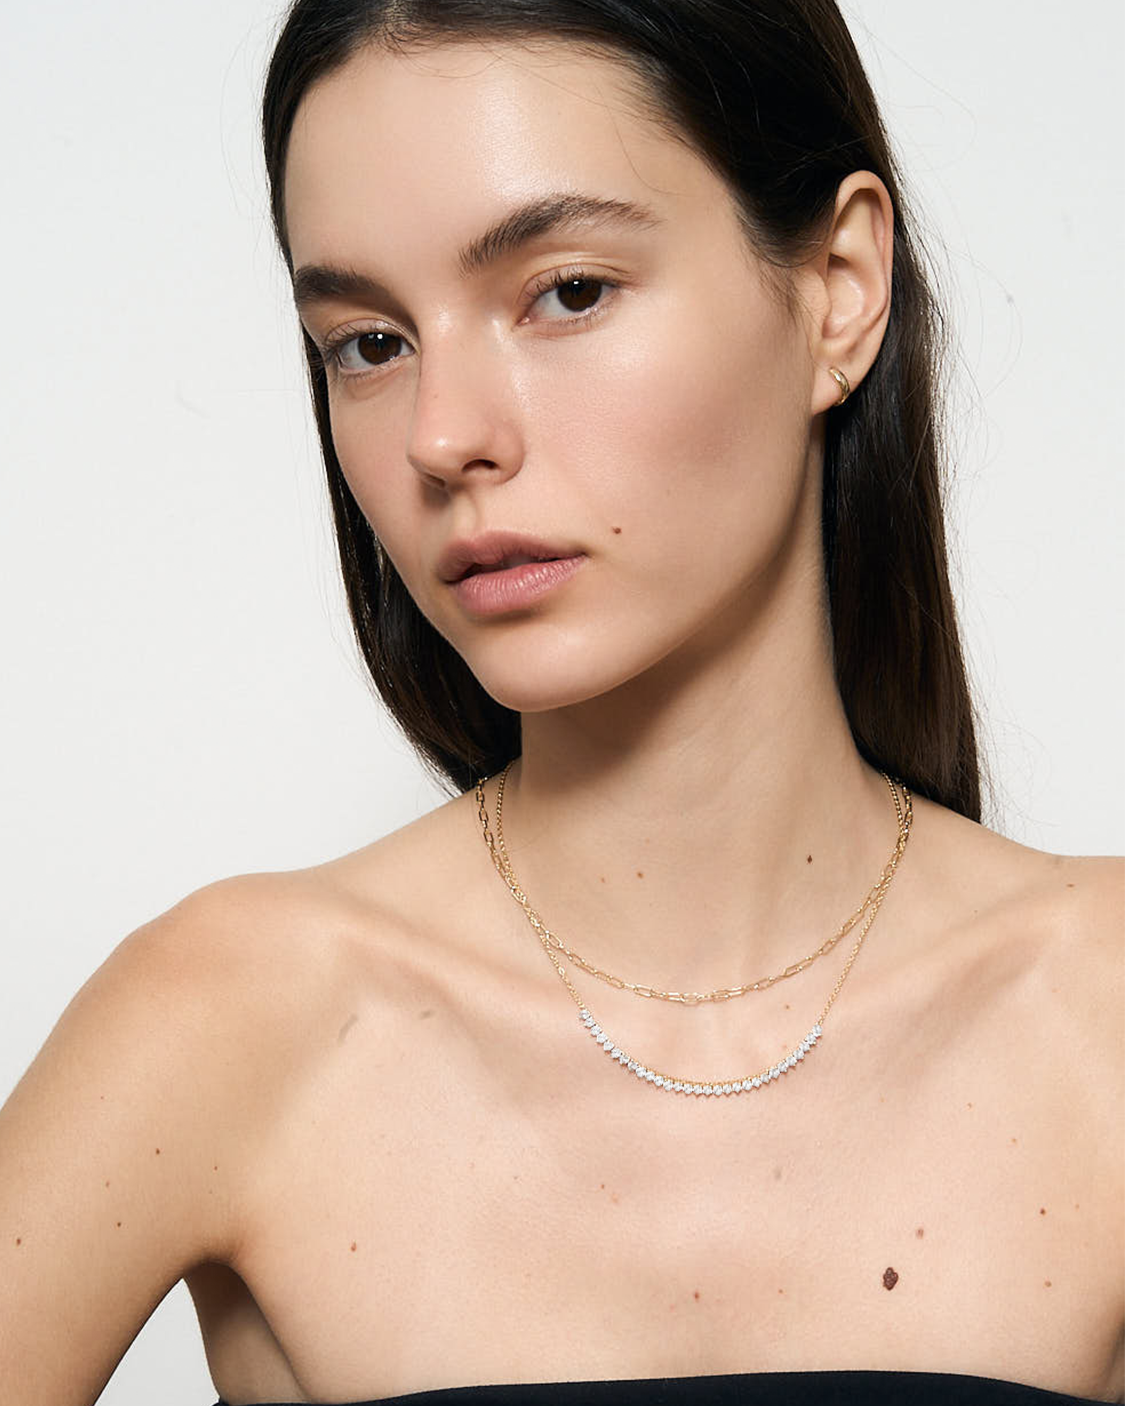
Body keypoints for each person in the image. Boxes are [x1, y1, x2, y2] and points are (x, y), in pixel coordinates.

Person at [1, 1, 1121, 1403]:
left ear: (838, 286)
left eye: (567, 291)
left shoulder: (1104, 1011)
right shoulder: (229, 1016)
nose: (444, 434)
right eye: (366, 340)